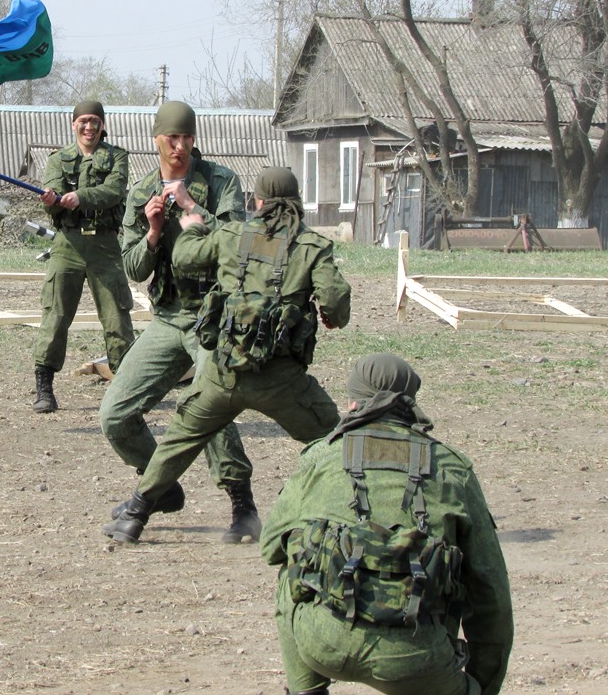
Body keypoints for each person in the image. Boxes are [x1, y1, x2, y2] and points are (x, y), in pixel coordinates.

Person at [103, 166, 352, 545]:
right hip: (282, 382)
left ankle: (135, 515)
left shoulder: (233, 235)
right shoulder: (312, 247)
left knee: (179, 439)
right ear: (298, 203)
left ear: (258, 202)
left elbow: (185, 257)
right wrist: (329, 315)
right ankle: (353, 508)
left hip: (225, 375)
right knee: (335, 439)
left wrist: (196, 224)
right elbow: (336, 303)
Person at [261, 353, 514, 695]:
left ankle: (306, 690)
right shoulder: (452, 469)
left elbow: (272, 546)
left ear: (352, 401)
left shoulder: (321, 456)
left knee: (292, 568)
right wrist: (482, 686)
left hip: (324, 645)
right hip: (418, 658)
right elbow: (490, 589)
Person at [98, 100, 261, 543]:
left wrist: (192, 207)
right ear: (156, 140)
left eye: (187, 137)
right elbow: (133, 268)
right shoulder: (141, 192)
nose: (180, 145)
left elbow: (240, 245)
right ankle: (163, 486)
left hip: (213, 316)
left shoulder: (221, 182)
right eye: (172, 137)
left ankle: (242, 506)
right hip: (169, 318)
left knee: (208, 406)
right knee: (114, 414)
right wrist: (152, 233)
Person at [32, 100, 134, 413]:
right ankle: (44, 387)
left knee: (117, 317)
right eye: (83, 121)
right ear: (73, 124)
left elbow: (114, 191)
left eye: (95, 121)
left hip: (104, 246)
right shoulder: (57, 159)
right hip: (67, 245)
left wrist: (80, 197)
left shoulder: (117, 157)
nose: (89, 127)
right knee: (56, 315)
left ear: (103, 125)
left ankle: (127, 388)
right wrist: (51, 200)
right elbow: (52, 196)